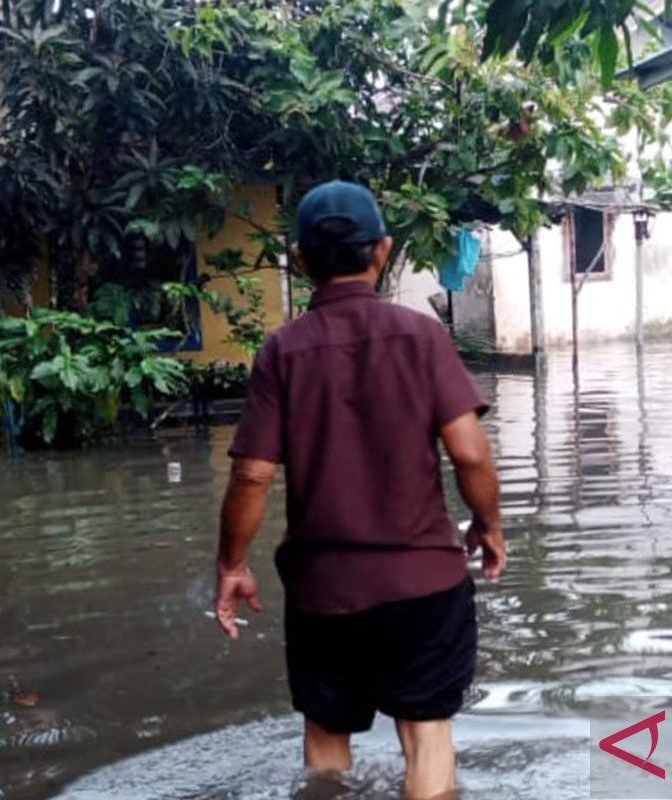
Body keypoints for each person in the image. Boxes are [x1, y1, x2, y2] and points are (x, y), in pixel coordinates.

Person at [214, 180, 505, 799]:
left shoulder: (281, 351)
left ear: (299, 260)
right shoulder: (423, 337)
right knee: (427, 735)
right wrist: (489, 525)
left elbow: (252, 474)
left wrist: (232, 565)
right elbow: (470, 451)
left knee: (325, 742)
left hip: (324, 596)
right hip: (423, 585)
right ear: (384, 251)